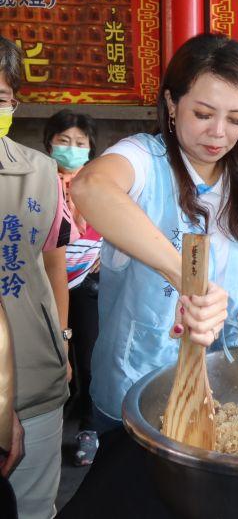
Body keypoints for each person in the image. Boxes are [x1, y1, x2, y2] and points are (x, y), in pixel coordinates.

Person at [71, 33, 238, 429]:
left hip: (222, 386)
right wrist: (186, 276)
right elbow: (89, 187)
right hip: (134, 389)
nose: (219, 133)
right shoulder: (143, 160)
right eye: (203, 114)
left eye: (236, 119)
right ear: (172, 103)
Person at [0, 35, 73, 519]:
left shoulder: (41, 174)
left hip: (33, 386)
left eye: (1, 98)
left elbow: (53, 265)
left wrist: (62, 343)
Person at [43, 110, 103, 465]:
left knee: (91, 357)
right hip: (45, 287)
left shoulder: (97, 187)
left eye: (80, 143)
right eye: (64, 141)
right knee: (52, 359)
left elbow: (119, 228)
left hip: (84, 284)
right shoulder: (39, 184)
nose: (71, 148)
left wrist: (105, 256)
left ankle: (89, 427)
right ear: (48, 143)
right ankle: (46, 427)